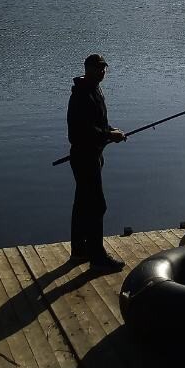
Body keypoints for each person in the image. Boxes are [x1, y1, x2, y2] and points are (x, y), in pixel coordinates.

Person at [67, 53, 126, 271]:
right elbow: (84, 131)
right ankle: (97, 257)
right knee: (96, 206)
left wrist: (111, 131)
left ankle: (79, 251)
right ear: (87, 69)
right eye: (97, 69)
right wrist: (109, 136)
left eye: (103, 69)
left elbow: (99, 124)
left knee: (82, 204)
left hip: (91, 155)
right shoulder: (83, 94)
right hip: (84, 157)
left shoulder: (94, 90)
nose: (102, 72)